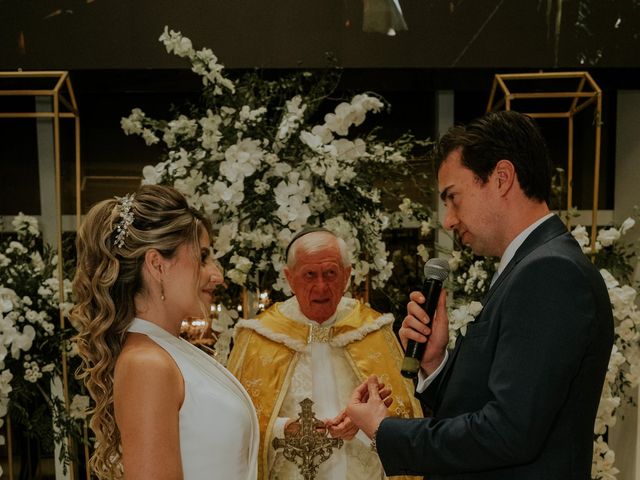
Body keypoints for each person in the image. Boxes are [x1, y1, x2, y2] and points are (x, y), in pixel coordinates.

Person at [345, 110, 614, 479]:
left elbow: (508, 432)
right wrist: (435, 361)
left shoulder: (549, 271)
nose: (448, 219)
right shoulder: (530, 264)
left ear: (501, 178)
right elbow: (486, 404)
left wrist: (385, 430)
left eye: (453, 197)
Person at [71, 184, 259, 480]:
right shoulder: (147, 363)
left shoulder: (170, 351)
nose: (217, 275)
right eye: (204, 256)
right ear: (158, 265)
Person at [227, 228, 422, 480]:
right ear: (289, 278)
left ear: (347, 275)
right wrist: (283, 428)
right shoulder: (259, 337)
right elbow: (235, 422)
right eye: (310, 275)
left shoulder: (373, 331)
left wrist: (367, 425)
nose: (321, 286)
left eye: (331, 273)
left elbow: (404, 412)